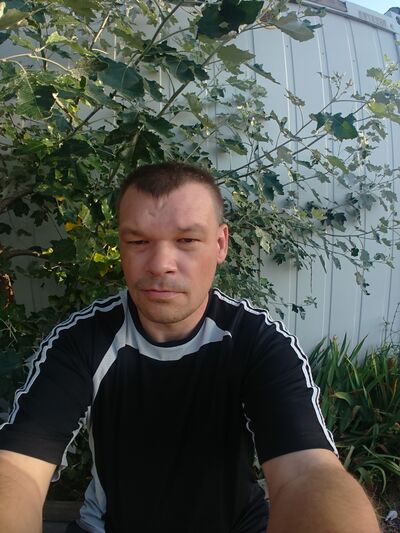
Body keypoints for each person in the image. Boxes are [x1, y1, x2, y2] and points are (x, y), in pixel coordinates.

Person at [0, 162, 379, 533]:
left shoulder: (258, 342)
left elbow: (307, 472)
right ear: (121, 247)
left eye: (186, 240)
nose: (161, 264)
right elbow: (18, 468)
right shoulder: (83, 340)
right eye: (139, 241)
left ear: (220, 244)